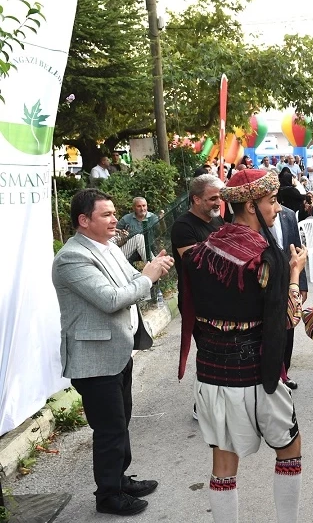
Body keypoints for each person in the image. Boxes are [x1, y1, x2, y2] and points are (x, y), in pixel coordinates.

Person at [178, 169, 307, 523]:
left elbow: (189, 310)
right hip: (257, 370)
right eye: (272, 201)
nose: (278, 209)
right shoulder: (269, 257)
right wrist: (295, 273)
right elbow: (289, 318)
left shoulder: (200, 253)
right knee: (290, 449)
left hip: (212, 369)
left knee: (223, 461)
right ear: (250, 206)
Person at [53, 189, 173, 515]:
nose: (113, 219)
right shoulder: (71, 258)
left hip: (118, 351)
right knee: (109, 429)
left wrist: (151, 269)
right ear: (84, 220)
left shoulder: (107, 246)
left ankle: (120, 479)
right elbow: (110, 298)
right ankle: (108, 496)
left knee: (121, 421)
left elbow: (131, 278)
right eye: (105, 214)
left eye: (113, 213)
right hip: (94, 360)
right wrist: (147, 277)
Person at [170, 174, 225, 313]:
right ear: (196, 199)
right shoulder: (183, 226)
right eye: (213, 198)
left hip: (219, 297)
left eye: (220, 197)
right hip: (197, 301)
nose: (219, 203)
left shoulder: (217, 219)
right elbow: (197, 264)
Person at [270, 198, 309, 389]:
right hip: (267, 284)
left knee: (289, 330)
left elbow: (297, 249)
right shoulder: (251, 217)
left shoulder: (288, 214)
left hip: (289, 282)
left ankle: (284, 374)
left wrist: (301, 283)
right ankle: (273, 374)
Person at [116, 197, 161, 263]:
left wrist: (162, 222)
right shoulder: (126, 219)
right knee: (139, 238)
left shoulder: (153, 218)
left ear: (147, 206)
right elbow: (116, 231)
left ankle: (152, 265)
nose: (142, 209)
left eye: (144, 206)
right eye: (139, 206)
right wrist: (122, 235)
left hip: (149, 248)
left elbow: (159, 233)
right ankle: (154, 265)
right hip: (131, 250)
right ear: (133, 208)